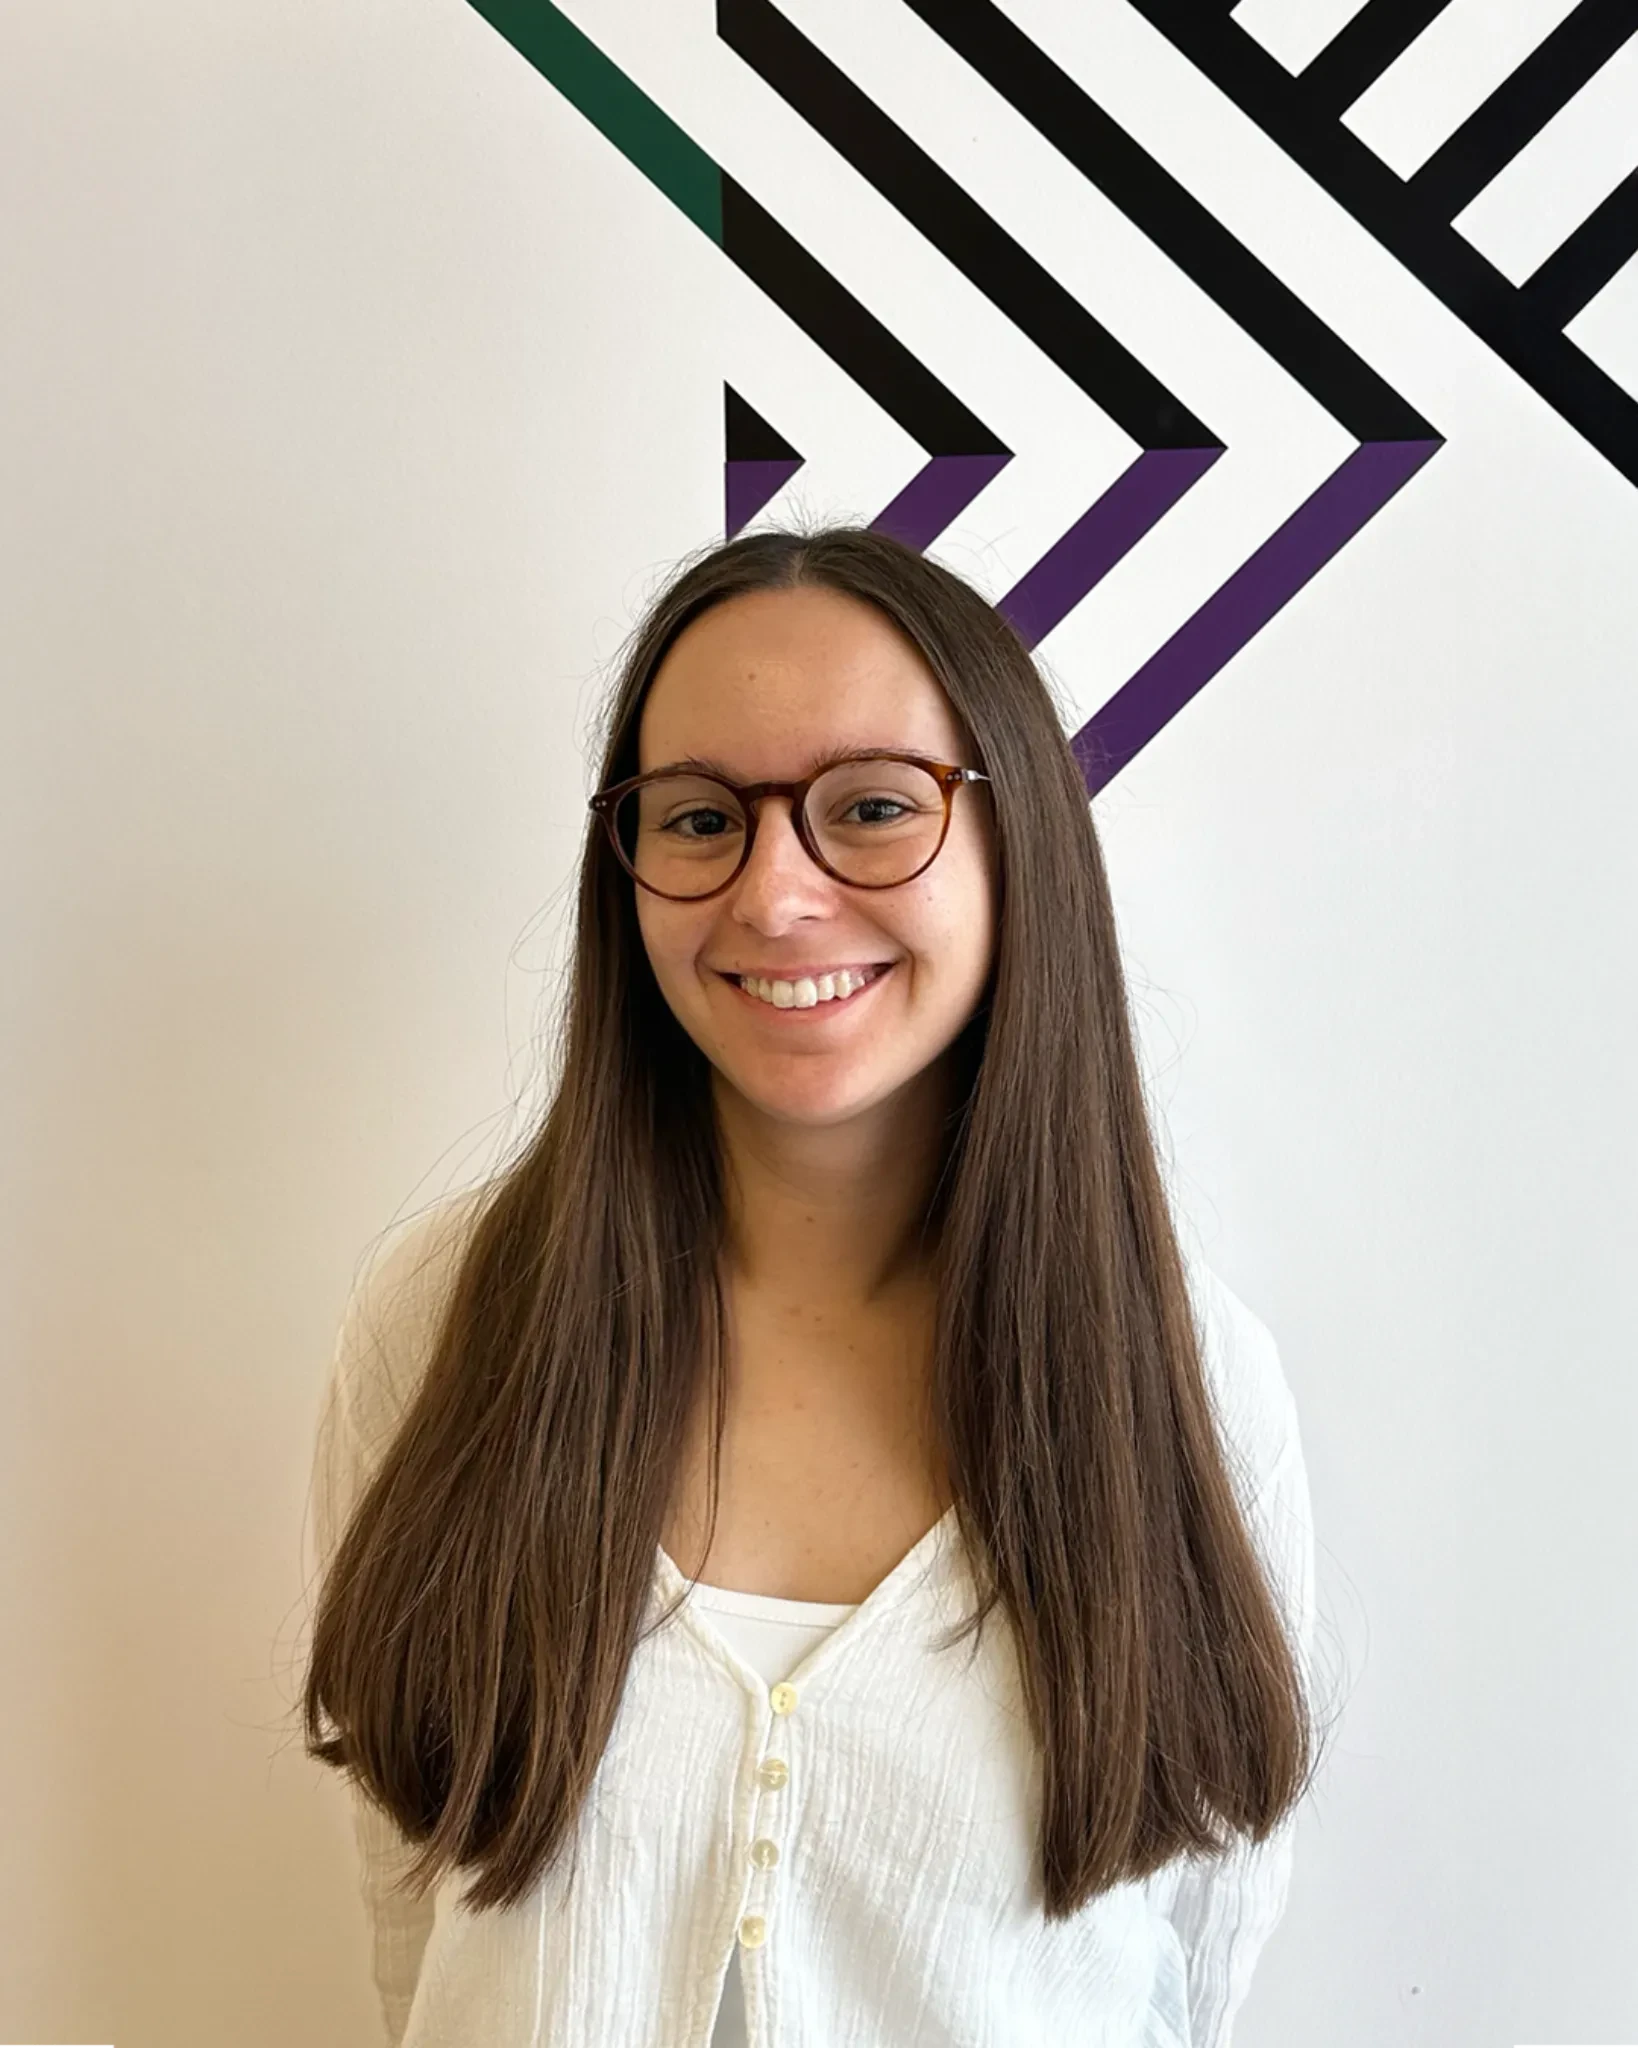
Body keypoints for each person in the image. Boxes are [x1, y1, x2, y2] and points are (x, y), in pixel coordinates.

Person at [301, 521, 1322, 2047]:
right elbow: (411, 1917)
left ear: (1014, 839)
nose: (775, 896)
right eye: (700, 818)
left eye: (868, 808)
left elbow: (1193, 1960)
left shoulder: (1182, 1381)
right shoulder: (450, 1324)